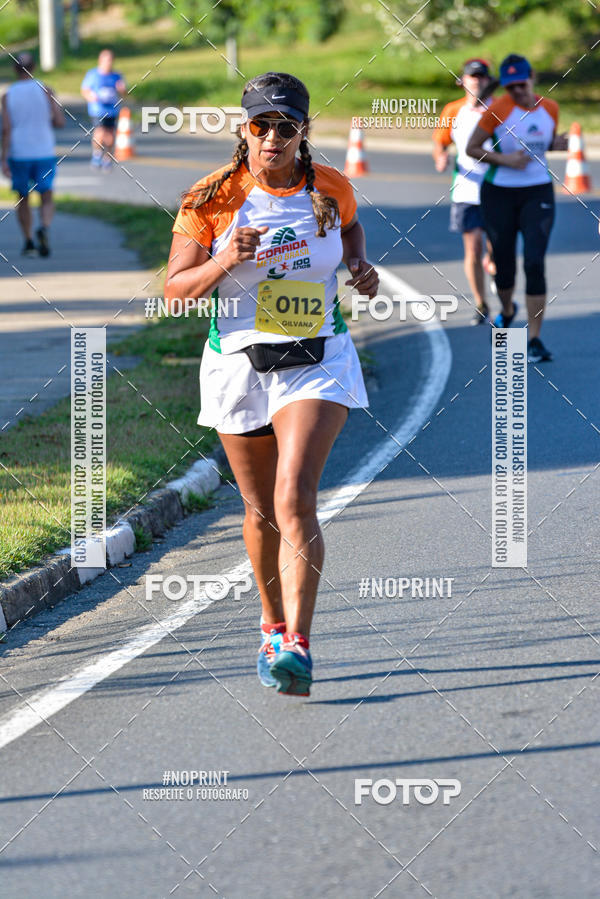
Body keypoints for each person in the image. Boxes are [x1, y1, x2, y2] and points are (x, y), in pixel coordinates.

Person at [165, 72, 378, 696]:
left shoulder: (330, 186)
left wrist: (359, 263)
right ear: (244, 128)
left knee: (294, 497)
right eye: (261, 125)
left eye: (286, 127)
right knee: (260, 510)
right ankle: (272, 624)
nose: (273, 138)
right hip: (238, 365)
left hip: (317, 358)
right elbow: (175, 292)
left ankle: (299, 647)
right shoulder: (211, 197)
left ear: (303, 131)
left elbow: (350, 227)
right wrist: (226, 258)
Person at [466, 54, 568, 362]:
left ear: (532, 77)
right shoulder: (498, 109)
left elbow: (541, 141)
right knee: (505, 262)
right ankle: (508, 310)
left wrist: (556, 145)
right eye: (511, 87)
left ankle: (534, 338)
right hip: (499, 192)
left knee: (535, 262)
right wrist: (505, 160)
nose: (517, 92)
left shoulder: (550, 108)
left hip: (537, 191)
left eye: (522, 85)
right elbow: (472, 148)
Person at [433, 59, 498, 325]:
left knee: (497, 249)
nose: (478, 81)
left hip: (497, 188)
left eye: (482, 76)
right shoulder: (453, 110)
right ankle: (481, 303)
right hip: (466, 190)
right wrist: (441, 157)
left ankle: (493, 264)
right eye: (473, 76)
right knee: (473, 249)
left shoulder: (501, 109)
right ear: (462, 81)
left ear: (489, 81)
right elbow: (440, 142)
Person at [1, 51, 64, 257]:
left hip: (19, 153)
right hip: (43, 151)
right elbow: (59, 121)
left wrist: (4, 158)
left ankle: (28, 241)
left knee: (23, 197)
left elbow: (7, 129)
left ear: (14, 70)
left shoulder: (7, 95)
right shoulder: (45, 90)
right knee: (47, 195)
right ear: (34, 67)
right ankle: (44, 227)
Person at [81, 49, 126, 170]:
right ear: (100, 61)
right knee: (100, 133)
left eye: (110, 60)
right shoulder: (93, 74)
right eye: (106, 60)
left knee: (110, 136)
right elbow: (85, 90)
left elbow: (124, 93)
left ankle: (107, 158)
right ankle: (97, 154)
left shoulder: (117, 76)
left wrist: (122, 90)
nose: (108, 63)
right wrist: (91, 97)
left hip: (112, 110)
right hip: (97, 109)